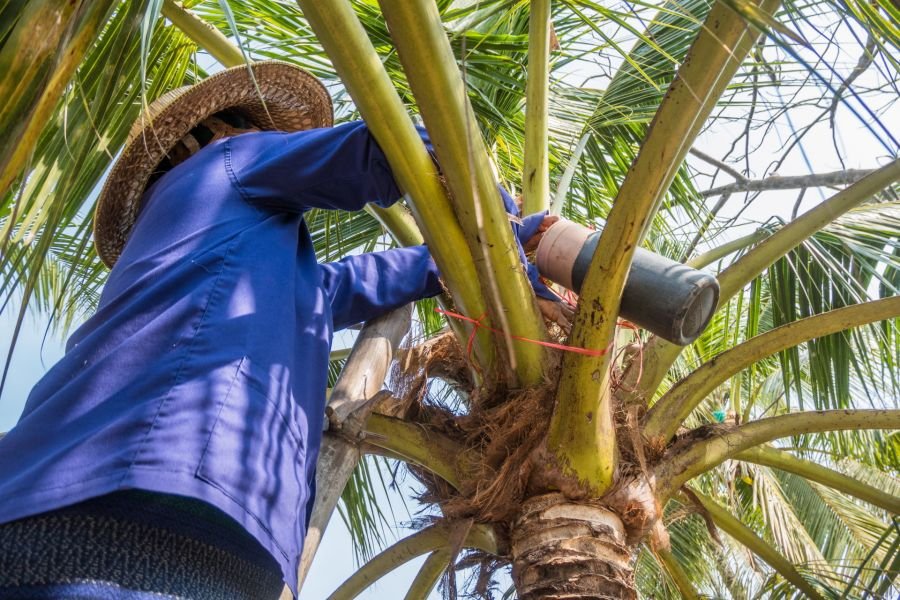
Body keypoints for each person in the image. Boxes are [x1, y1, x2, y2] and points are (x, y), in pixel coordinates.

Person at [0, 61, 562, 599]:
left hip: (117, 516)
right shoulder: (222, 162)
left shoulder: (240, 254)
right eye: (250, 128)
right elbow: (390, 150)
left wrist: (525, 247)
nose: (263, 141)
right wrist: (501, 222)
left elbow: (348, 286)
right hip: (140, 509)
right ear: (212, 133)